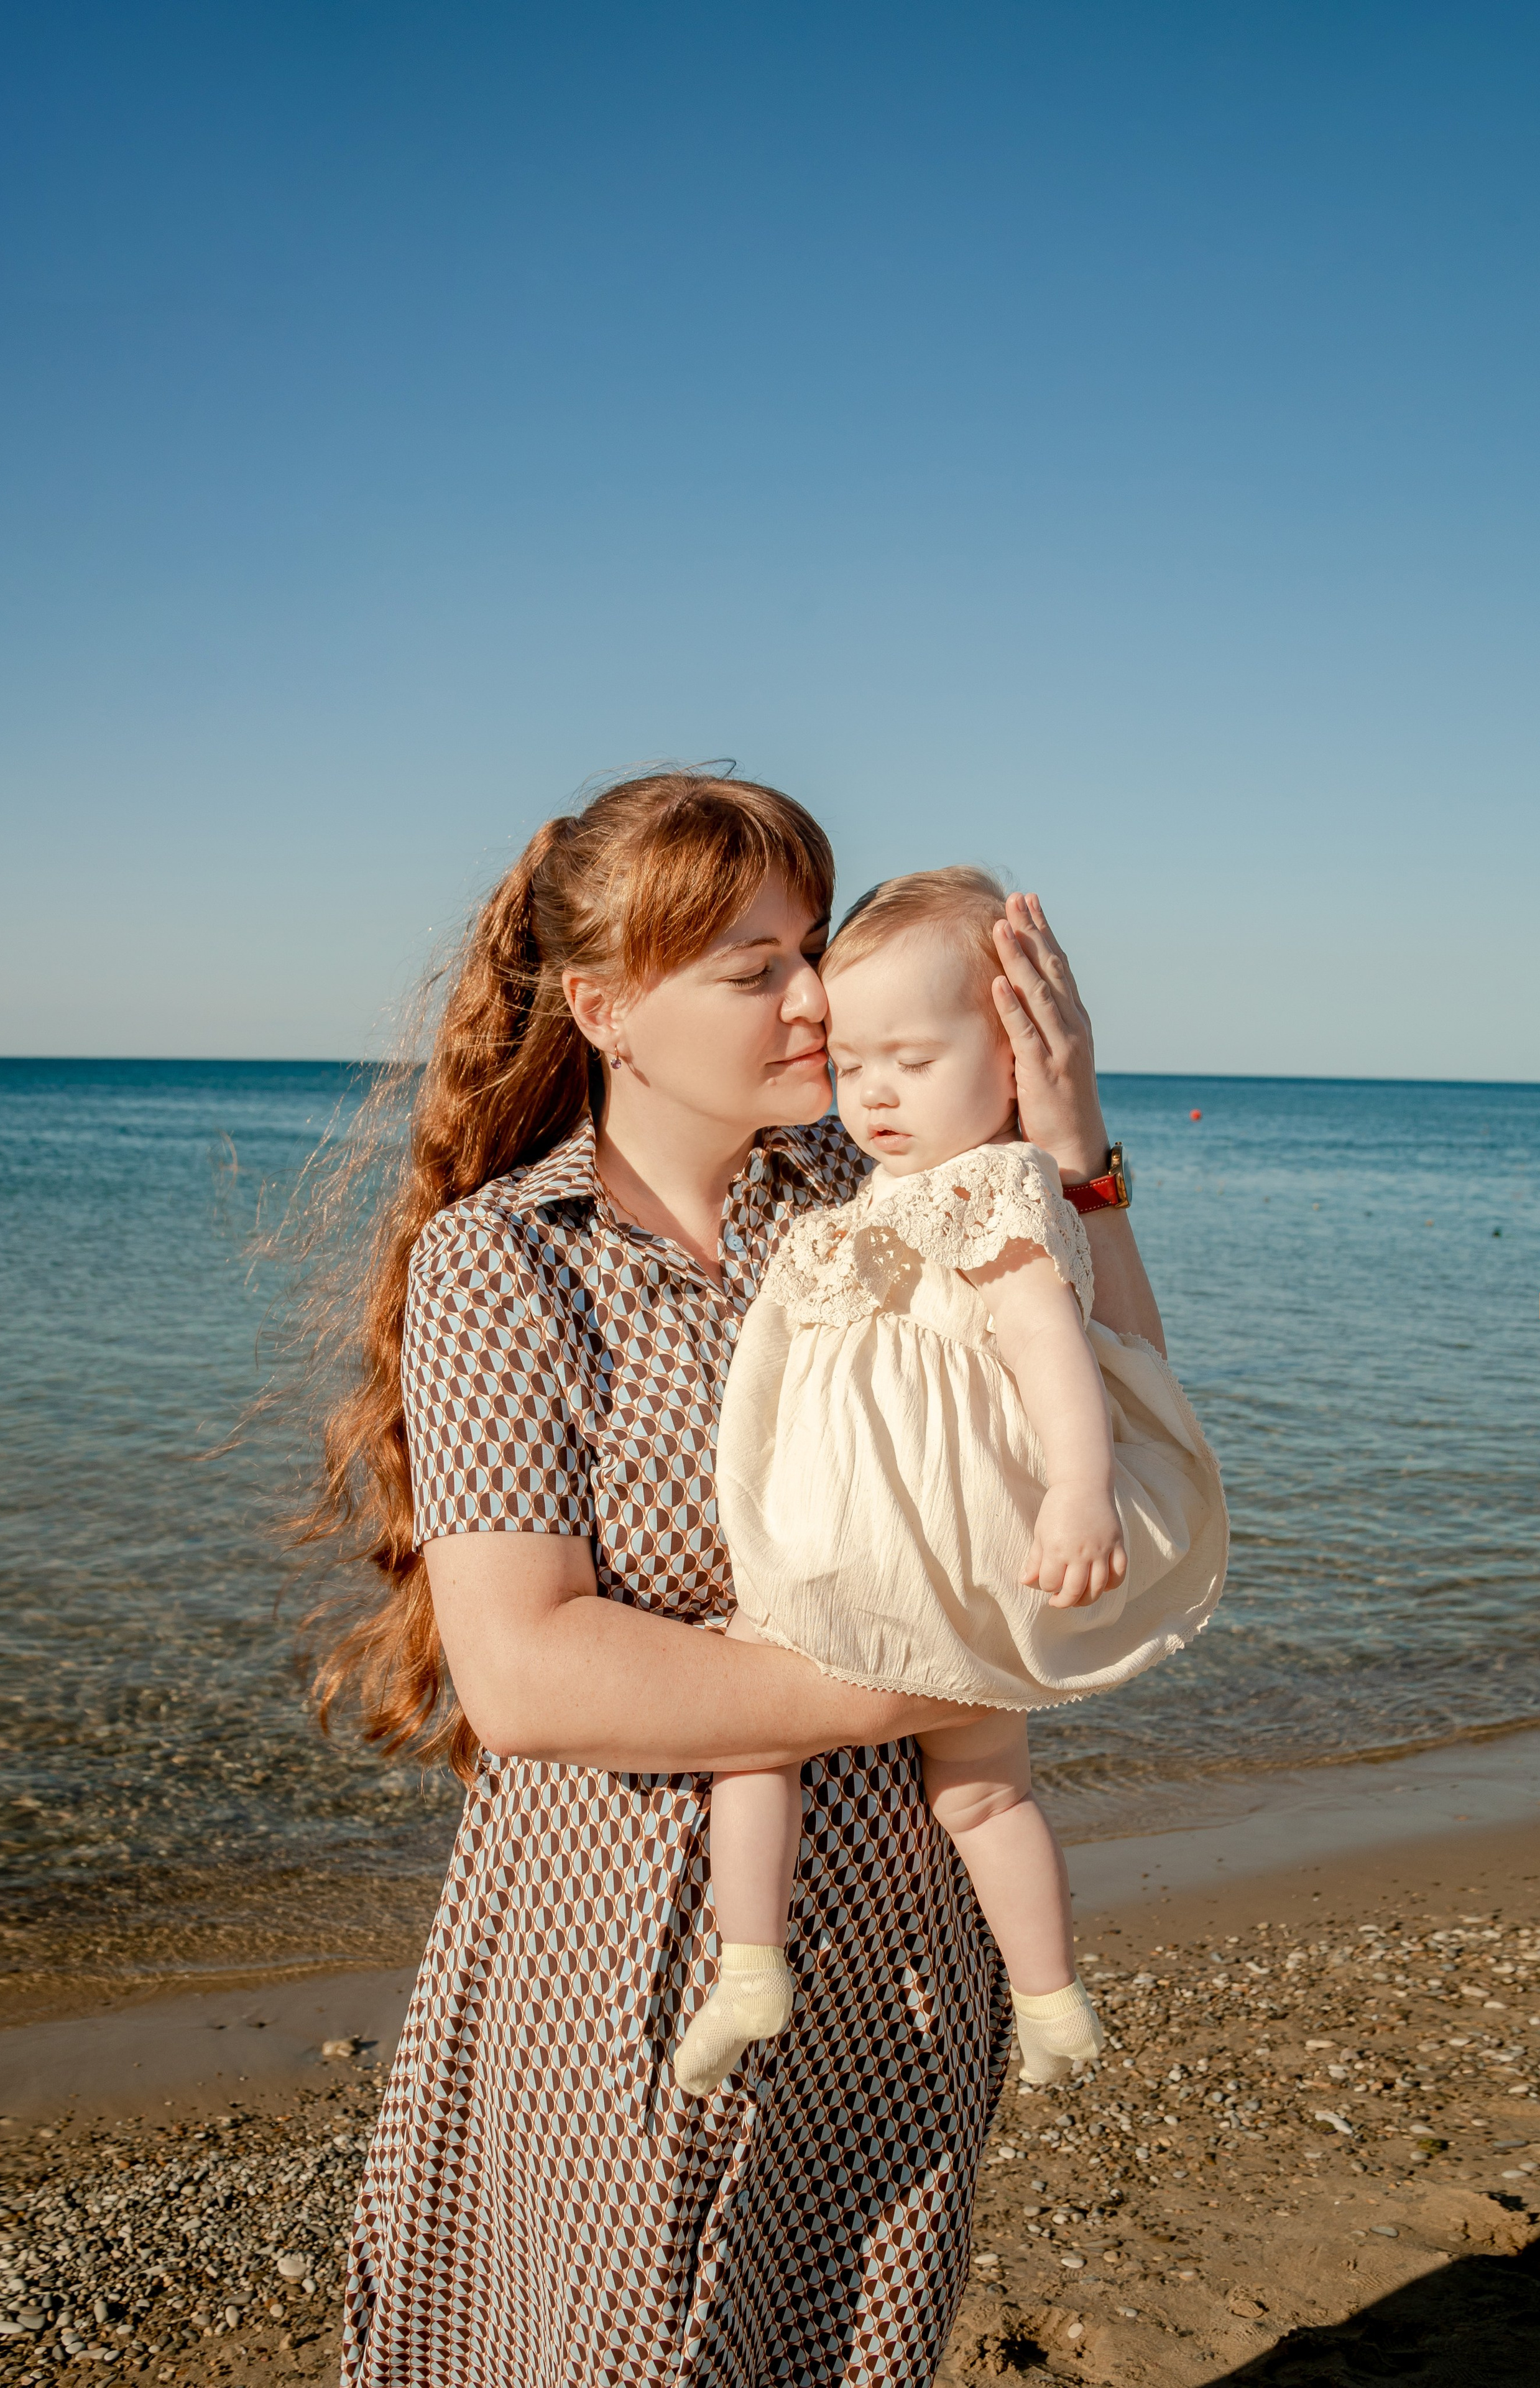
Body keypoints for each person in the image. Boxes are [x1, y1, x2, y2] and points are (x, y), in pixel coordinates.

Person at [305, 770, 1192, 2388]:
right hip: (614, 1947)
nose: (815, 1000)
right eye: (755, 966)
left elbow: (1126, 1419)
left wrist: (1073, 1151)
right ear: (606, 1011)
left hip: (897, 1954)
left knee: (840, 2344)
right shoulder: (508, 1265)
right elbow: (527, 1676)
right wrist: (960, 1675)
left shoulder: (881, 1196)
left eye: (813, 947)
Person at [673, 868, 1228, 2099]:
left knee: (762, 1750)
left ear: (1011, 1058)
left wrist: (1080, 1493)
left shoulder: (993, 1187)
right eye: (853, 1059)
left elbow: (1049, 1349)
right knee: (976, 1795)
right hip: (922, 1548)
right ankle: (1041, 2001)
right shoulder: (882, 1185)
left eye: (911, 1061)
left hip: (927, 1542)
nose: (869, 1092)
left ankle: (755, 1963)